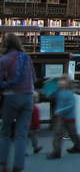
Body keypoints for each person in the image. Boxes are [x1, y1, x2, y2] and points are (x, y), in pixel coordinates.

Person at [0, 33, 35, 172]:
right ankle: (18, 166)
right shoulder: (26, 58)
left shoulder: (4, 60)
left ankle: (3, 163)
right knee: (22, 133)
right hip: (27, 97)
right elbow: (33, 77)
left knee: (6, 131)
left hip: (11, 97)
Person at [47, 75, 80, 160]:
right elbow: (50, 95)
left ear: (67, 83)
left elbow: (71, 105)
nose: (60, 82)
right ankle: (56, 152)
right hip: (60, 117)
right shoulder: (58, 91)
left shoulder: (69, 93)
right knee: (57, 134)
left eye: (62, 81)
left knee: (72, 133)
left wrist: (61, 111)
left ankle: (78, 146)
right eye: (59, 81)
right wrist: (52, 84)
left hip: (69, 117)